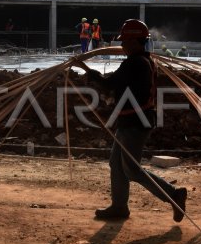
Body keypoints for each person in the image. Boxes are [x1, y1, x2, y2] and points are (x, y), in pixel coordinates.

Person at [73, 19, 187, 222]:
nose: (123, 45)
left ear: (135, 41)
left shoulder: (134, 63)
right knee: (116, 164)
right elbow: (119, 86)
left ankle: (174, 194)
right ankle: (119, 207)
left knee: (132, 170)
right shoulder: (145, 61)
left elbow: (109, 86)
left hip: (135, 123)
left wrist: (88, 72)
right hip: (132, 120)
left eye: (125, 41)